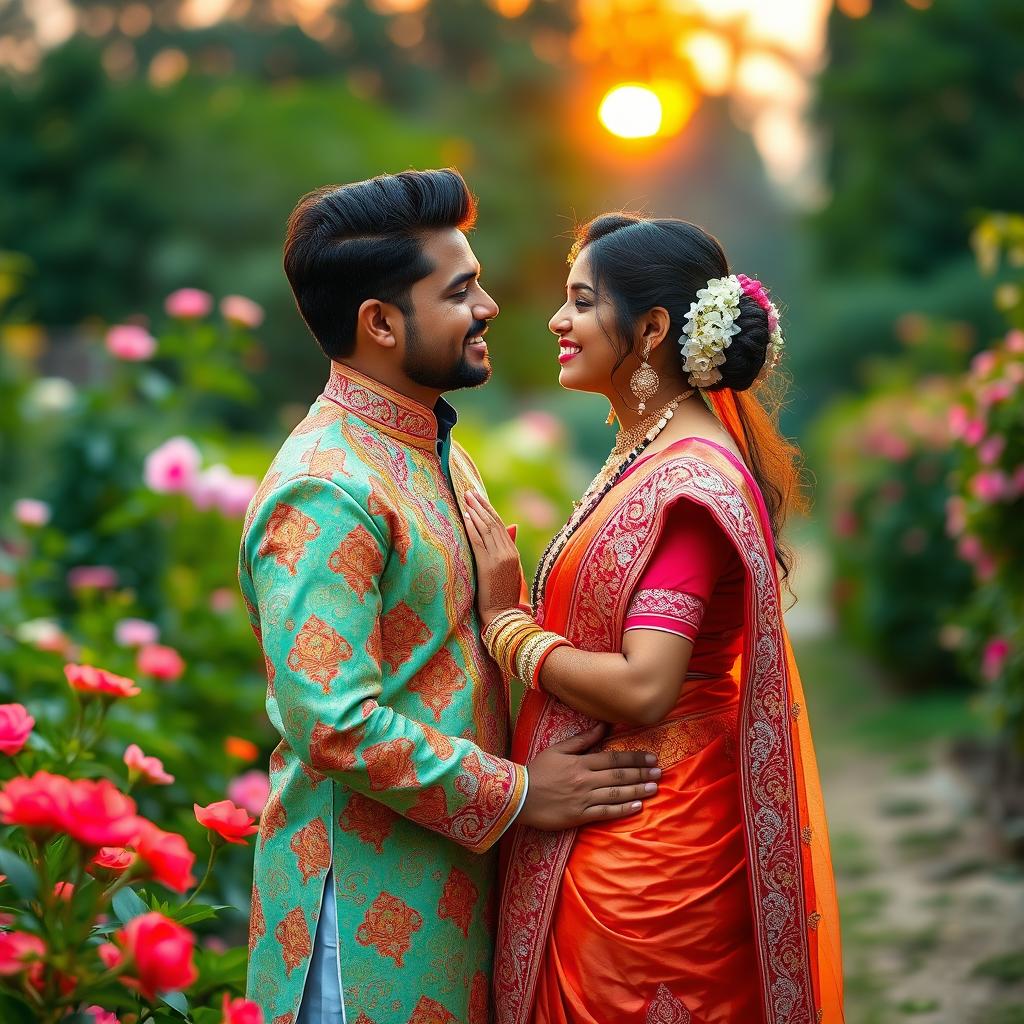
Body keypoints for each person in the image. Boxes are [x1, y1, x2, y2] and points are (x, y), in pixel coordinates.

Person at [238, 171, 662, 1024]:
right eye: (461, 289)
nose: (492, 305)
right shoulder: (327, 487)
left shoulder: (430, 447)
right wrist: (515, 792)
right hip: (361, 919)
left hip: (455, 887)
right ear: (382, 323)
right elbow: (331, 719)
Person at [463, 213, 844, 1024]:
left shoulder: (687, 483)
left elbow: (645, 687)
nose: (558, 322)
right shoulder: (650, 451)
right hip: (628, 821)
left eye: (580, 301)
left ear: (652, 328)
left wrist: (507, 627)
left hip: (652, 857)